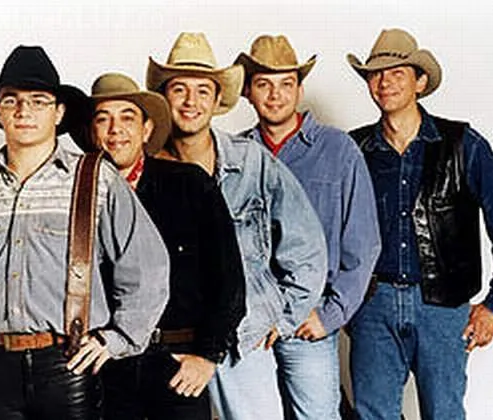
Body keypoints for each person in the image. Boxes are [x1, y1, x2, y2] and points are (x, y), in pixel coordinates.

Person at [0, 45, 170, 420]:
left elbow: (147, 267)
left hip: (68, 364)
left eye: (38, 101)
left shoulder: (95, 180)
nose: (24, 110)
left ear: (59, 112)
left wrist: (117, 339)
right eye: (11, 100)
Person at [346, 28, 493, 419]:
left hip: (443, 308)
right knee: (372, 415)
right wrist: (341, 301)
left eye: (397, 73)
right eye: (376, 74)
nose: (385, 82)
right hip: (372, 305)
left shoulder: (463, 143)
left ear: (420, 82)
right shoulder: (353, 149)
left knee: (444, 413)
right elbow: (330, 231)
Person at [145, 32, 328, 420]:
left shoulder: (252, 162)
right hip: (168, 340)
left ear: (217, 101)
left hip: (242, 335)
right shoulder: (145, 170)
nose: (191, 102)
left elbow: (306, 246)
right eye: (179, 90)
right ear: (163, 98)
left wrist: (283, 317)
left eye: (202, 91)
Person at [78, 72, 246, 419]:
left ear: (147, 130)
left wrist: (207, 356)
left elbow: (228, 279)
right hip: (106, 365)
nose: (116, 130)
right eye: (103, 119)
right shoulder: (77, 196)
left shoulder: (189, 184)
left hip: (178, 359)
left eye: (128, 118)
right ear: (92, 133)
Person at [234, 34, 381, 420]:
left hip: (309, 312)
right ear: (248, 92)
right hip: (250, 315)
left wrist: (330, 315)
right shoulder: (235, 155)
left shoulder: (338, 149)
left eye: (286, 84)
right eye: (263, 84)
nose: (275, 95)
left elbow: (363, 244)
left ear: (299, 90)